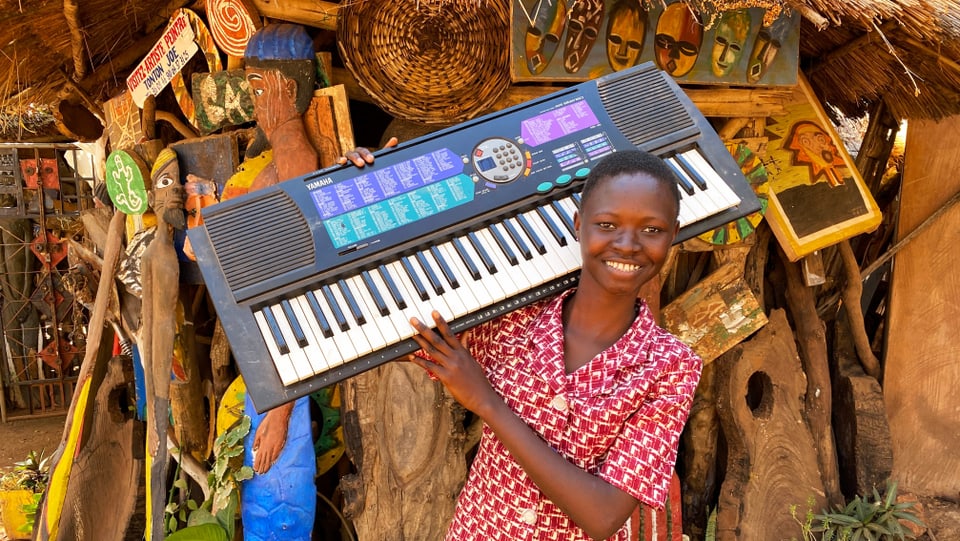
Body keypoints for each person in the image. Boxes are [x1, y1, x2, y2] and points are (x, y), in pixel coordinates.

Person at [403, 149, 703, 540]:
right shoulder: (513, 319)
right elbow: (402, 325)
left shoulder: (670, 367)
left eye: (651, 230)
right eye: (607, 224)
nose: (628, 244)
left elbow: (603, 516)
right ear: (579, 225)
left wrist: (487, 404)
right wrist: (370, 189)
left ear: (673, 234)